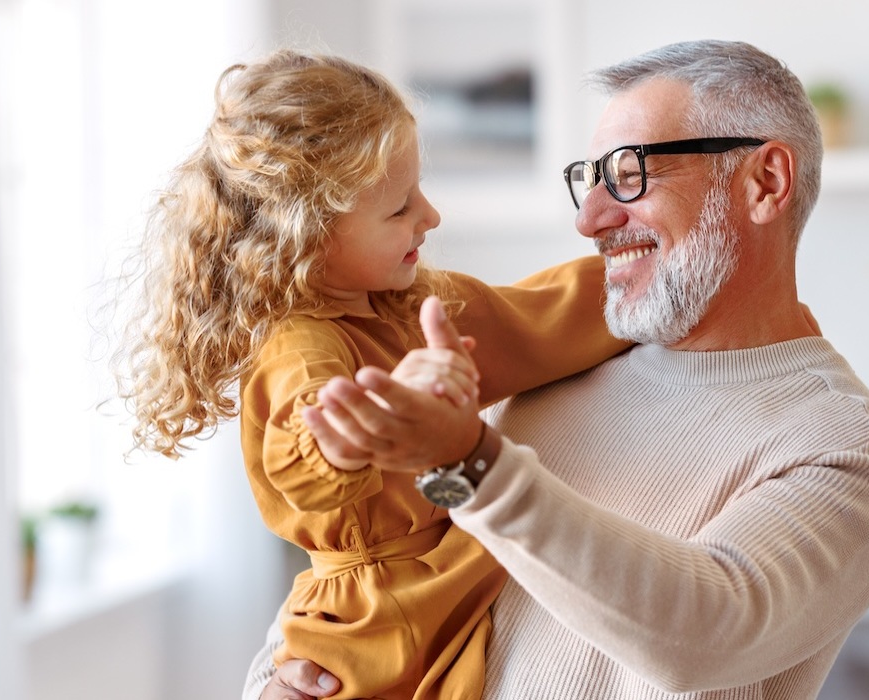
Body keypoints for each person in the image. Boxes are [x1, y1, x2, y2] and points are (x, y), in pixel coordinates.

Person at [247, 39, 869, 700]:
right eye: (589, 179)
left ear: (764, 182)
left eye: (629, 172)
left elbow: (702, 632)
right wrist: (277, 682)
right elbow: (389, 565)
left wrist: (471, 463)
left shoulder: (850, 449)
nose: (592, 219)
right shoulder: (550, 367)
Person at [118, 51, 628, 700]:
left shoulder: (412, 303)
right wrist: (383, 414)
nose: (431, 216)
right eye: (400, 209)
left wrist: (646, 279)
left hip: (441, 576)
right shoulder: (299, 346)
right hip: (375, 624)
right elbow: (306, 453)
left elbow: (536, 316)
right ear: (308, 235)